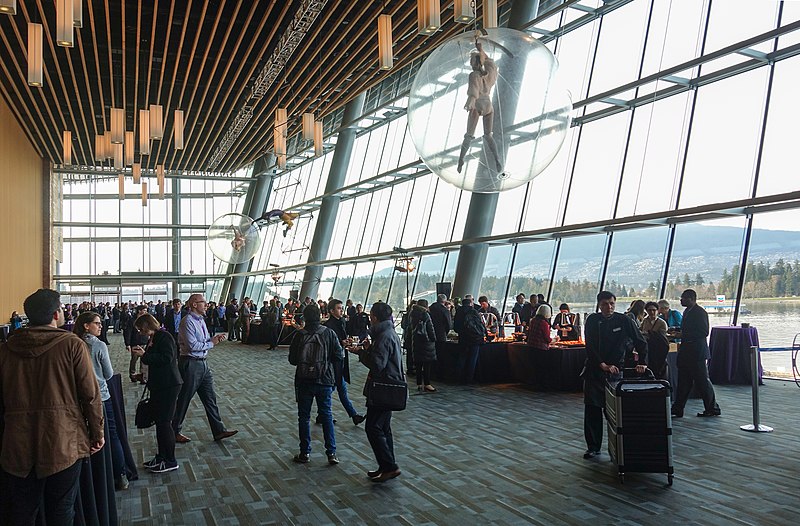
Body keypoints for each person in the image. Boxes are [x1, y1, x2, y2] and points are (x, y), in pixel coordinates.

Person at [0, 288, 104, 524]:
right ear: (56, 314)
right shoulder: (72, 345)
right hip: (63, 439)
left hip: (17, 443)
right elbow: (90, 395)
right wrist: (97, 433)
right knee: (62, 509)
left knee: (22, 511)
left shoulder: (6, 349)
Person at [582, 291, 647, 460]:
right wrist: (601, 364)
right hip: (595, 370)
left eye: (611, 303)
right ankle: (593, 447)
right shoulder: (592, 321)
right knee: (592, 409)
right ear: (599, 305)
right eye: (604, 304)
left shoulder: (624, 320)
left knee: (615, 412)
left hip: (616, 372)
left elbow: (640, 341)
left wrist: (643, 362)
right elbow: (590, 345)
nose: (608, 307)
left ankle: (619, 446)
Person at [172, 294, 238, 443]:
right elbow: (192, 346)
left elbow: (203, 341)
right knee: (184, 399)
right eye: (203, 302)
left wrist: (213, 340)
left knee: (210, 398)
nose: (206, 305)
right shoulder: (187, 322)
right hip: (190, 364)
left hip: (203, 363)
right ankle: (174, 431)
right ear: (194, 304)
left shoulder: (201, 320)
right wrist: (212, 343)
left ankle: (218, 430)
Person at [74, 311, 128, 490]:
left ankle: (93, 478)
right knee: (111, 435)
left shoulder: (73, 343)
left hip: (79, 398)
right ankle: (120, 475)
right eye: (97, 323)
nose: (101, 326)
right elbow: (108, 374)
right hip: (101, 396)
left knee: (86, 436)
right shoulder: (98, 345)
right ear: (86, 325)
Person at [351, 301, 403, 482]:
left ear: (374, 317)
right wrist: (366, 350)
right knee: (383, 427)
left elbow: (377, 365)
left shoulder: (384, 337)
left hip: (383, 387)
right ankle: (387, 465)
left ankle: (390, 466)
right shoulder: (389, 333)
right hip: (390, 385)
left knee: (372, 427)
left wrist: (362, 353)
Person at [288, 303, 344, 465]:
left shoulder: (299, 335)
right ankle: (331, 452)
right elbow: (339, 356)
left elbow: (292, 360)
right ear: (320, 315)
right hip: (325, 379)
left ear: (304, 317)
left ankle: (305, 452)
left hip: (304, 380)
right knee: (326, 415)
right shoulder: (329, 333)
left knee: (304, 417)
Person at [131, 314, 183, 473]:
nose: (140, 332)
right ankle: (162, 456)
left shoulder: (164, 337)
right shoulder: (155, 337)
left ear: (148, 325)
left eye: (141, 328)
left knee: (165, 423)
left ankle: (170, 460)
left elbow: (166, 359)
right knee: (160, 423)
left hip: (169, 385)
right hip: (160, 385)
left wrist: (144, 355)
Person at [670, 289, 721, 418]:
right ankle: (678, 408)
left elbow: (703, 332)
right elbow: (690, 329)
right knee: (683, 382)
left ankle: (712, 408)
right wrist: (676, 330)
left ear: (691, 299)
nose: (681, 300)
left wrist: (682, 334)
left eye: (683, 298)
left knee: (702, 381)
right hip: (687, 352)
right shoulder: (687, 311)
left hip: (696, 353)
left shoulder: (700, 313)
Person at [458, 36, 502, 173]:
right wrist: (481, 49)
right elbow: (490, 62)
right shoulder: (489, 73)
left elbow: (474, 92)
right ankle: (497, 160)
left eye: (471, 60)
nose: (470, 63)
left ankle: (461, 160)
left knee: (469, 135)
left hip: (477, 105)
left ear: (473, 63)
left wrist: (469, 103)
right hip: (488, 105)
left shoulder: (473, 75)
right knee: (488, 135)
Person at [323, 299, 365, 425]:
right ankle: (353, 415)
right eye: (339, 308)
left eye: (342, 308)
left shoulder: (341, 322)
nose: (341, 310)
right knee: (340, 387)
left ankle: (323, 414)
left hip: (340, 359)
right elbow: (328, 345)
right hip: (334, 361)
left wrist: (346, 341)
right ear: (331, 311)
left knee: (337, 387)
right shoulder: (329, 326)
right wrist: (341, 343)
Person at [453, 297, 486, 383]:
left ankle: (458, 377)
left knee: (462, 357)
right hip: (474, 339)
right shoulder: (474, 311)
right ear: (470, 303)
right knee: (472, 359)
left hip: (463, 338)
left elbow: (456, 327)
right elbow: (480, 325)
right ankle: (468, 378)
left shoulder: (459, 312)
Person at [410, 299, 438, 392]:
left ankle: (418, 383)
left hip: (416, 342)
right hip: (426, 342)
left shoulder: (412, 314)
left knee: (418, 364)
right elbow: (430, 329)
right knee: (427, 364)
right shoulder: (425, 314)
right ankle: (427, 383)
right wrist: (433, 339)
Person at [641, 301, 670, 381]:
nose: (652, 312)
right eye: (649, 310)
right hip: (647, 349)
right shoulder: (645, 321)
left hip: (658, 350)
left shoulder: (662, 323)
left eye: (654, 310)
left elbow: (662, 338)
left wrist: (648, 334)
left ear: (657, 311)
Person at [124, 304, 150, 383]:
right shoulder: (132, 320)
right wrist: (127, 344)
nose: (146, 312)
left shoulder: (146, 320)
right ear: (139, 311)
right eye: (144, 310)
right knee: (134, 360)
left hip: (145, 342)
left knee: (144, 360)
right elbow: (128, 332)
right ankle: (132, 374)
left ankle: (143, 376)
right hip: (135, 343)